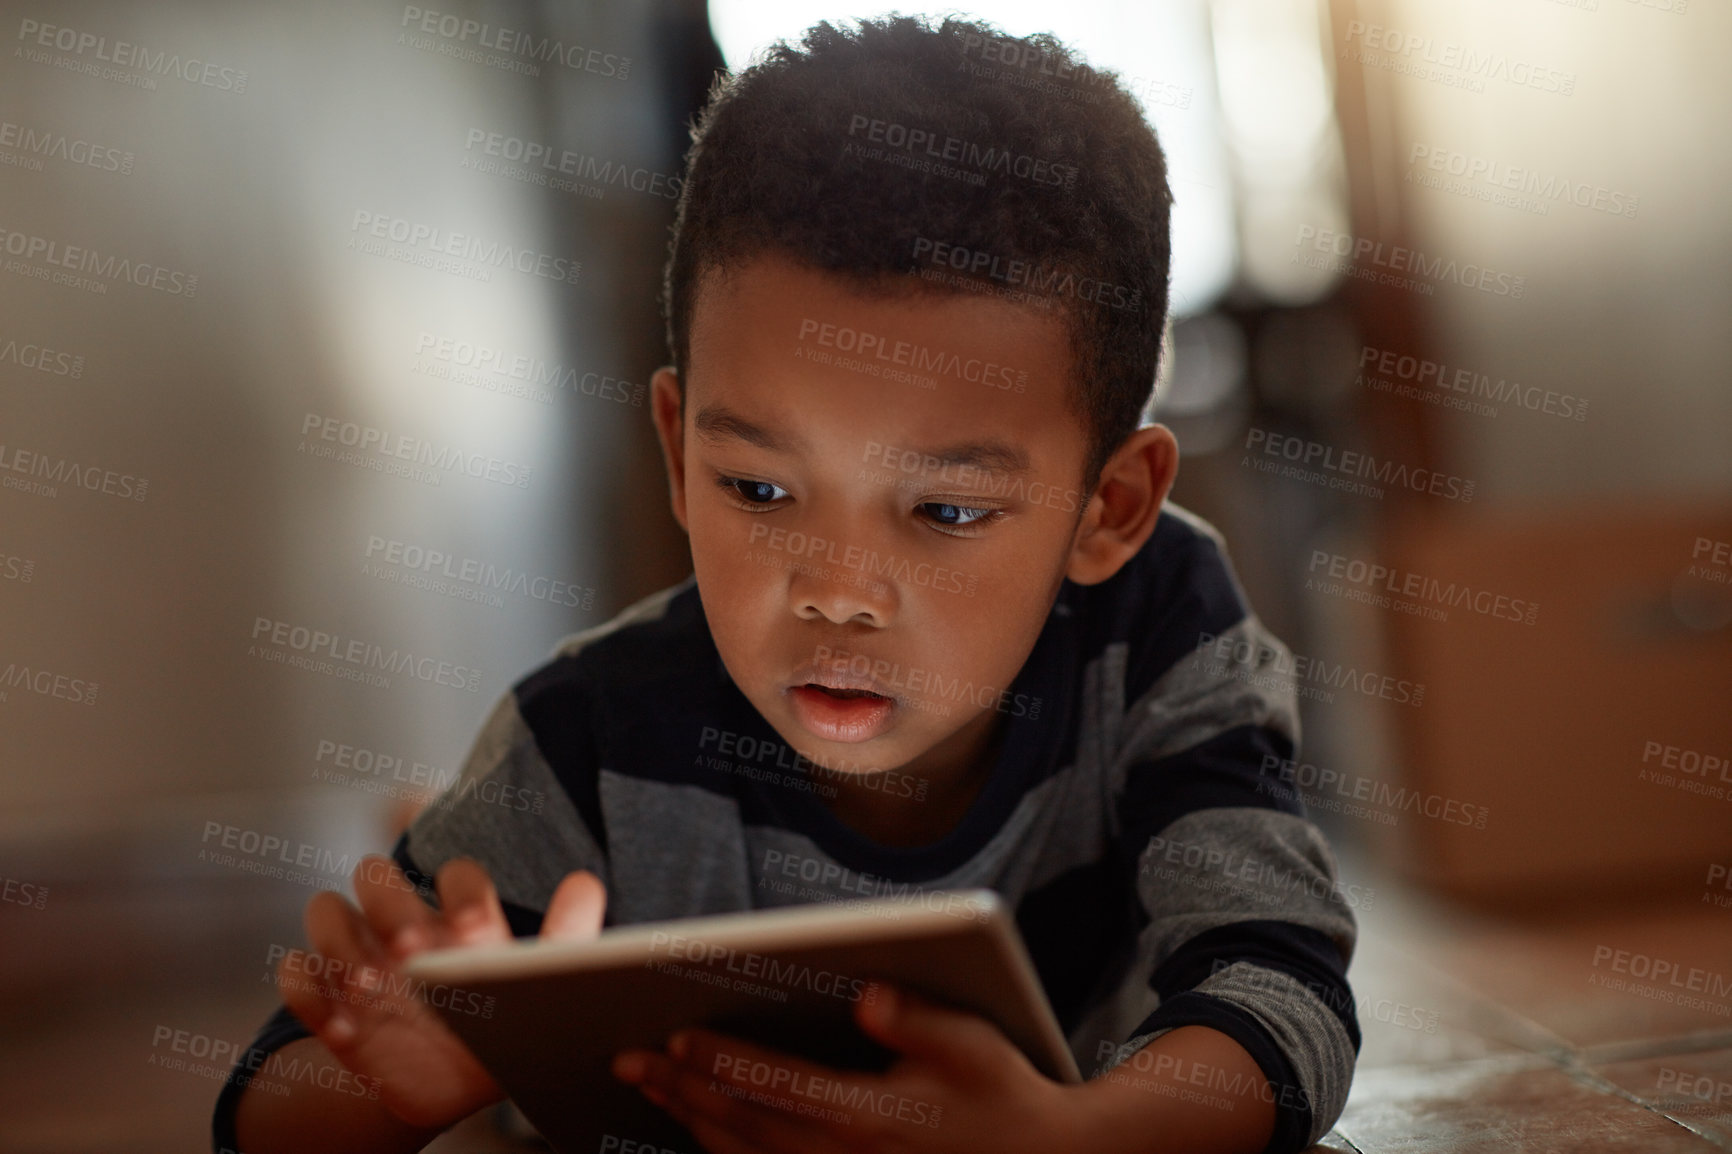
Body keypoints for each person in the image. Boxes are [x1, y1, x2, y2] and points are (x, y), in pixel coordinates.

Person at [215, 15, 1359, 1154]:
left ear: (1108, 508)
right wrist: (419, 1075)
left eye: (946, 510)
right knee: (499, 909)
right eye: (760, 492)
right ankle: (445, 843)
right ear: (676, 451)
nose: (838, 593)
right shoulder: (582, 740)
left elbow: (1279, 987)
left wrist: (1069, 1139)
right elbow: (267, 1107)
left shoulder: (1157, 630)